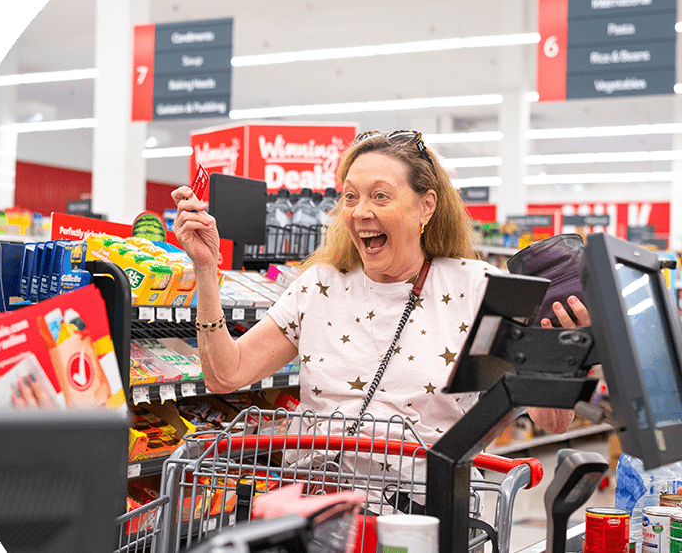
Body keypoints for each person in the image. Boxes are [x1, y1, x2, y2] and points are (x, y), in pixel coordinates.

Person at [171, 130, 586, 450]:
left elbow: (552, 422)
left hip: (425, 512)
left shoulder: (476, 287)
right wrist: (206, 270)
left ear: (426, 206)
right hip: (322, 508)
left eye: (380, 196)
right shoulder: (319, 287)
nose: (361, 211)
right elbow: (225, 375)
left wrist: (563, 354)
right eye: (350, 197)